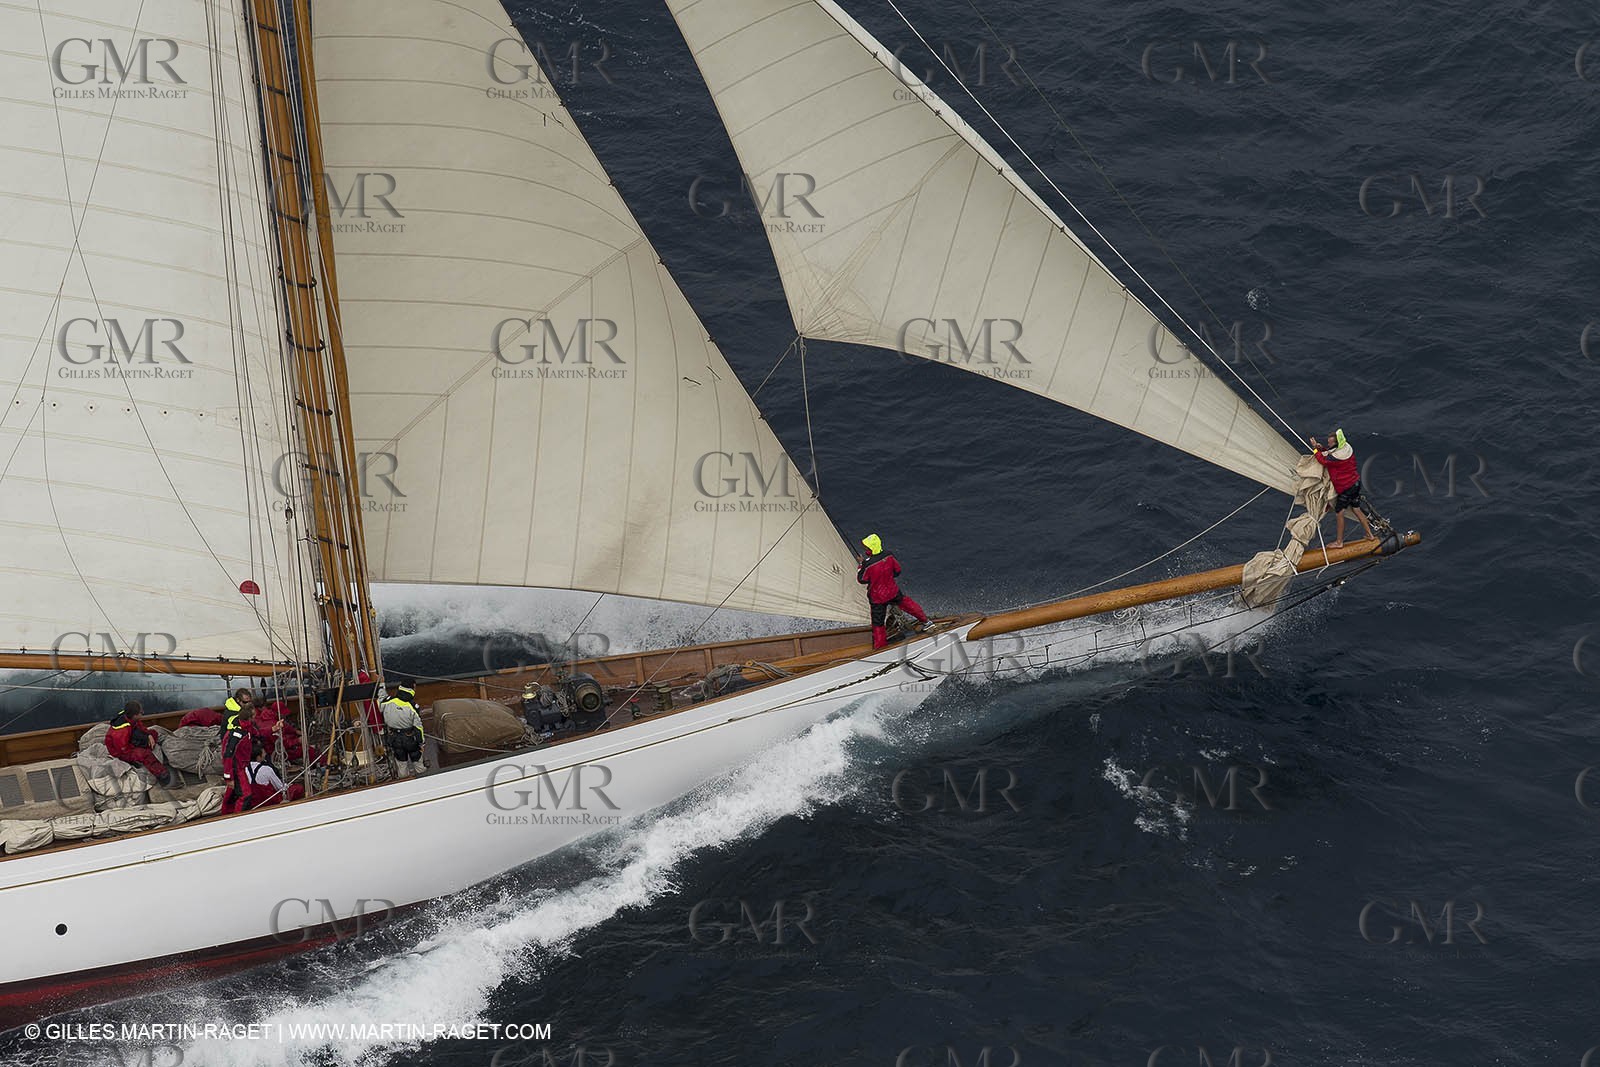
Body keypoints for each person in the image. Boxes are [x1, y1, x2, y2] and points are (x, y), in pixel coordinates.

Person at [856, 533, 932, 650]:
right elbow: (897, 571)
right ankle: (926, 622)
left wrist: (861, 565)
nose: (865, 548)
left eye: (866, 546)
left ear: (871, 548)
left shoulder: (868, 564)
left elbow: (862, 579)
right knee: (908, 604)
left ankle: (880, 648)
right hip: (892, 591)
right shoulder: (889, 555)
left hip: (877, 598)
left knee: (878, 623)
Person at [1309, 429, 1376, 547]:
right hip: (1355, 484)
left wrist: (1315, 449)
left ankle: (1339, 542)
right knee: (1357, 509)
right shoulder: (1346, 448)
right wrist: (1322, 448)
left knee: (1339, 513)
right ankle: (1370, 535)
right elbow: (1331, 453)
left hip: (1346, 489)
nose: (1328, 444)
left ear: (1336, 443)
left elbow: (1324, 460)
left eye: (1330, 443)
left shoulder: (1336, 458)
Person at [104, 700, 171, 786]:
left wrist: (148, 735)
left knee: (153, 733)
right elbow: (123, 749)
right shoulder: (121, 731)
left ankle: (147, 743)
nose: (143, 713)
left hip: (129, 737)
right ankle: (162, 774)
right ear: (135, 715)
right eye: (141, 712)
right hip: (120, 750)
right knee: (145, 754)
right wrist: (138, 747)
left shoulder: (131, 718)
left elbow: (139, 726)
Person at [380, 683, 427, 778]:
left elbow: (380, 699)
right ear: (413, 688)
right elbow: (418, 728)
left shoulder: (387, 702)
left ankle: (403, 780)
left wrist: (381, 685)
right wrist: (421, 743)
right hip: (410, 739)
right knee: (417, 760)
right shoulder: (412, 706)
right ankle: (422, 777)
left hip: (394, 738)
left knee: (401, 762)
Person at [220, 702, 257, 814]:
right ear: (250, 718)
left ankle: (227, 813)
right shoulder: (237, 734)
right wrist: (228, 777)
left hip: (241, 765)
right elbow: (228, 755)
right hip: (236, 767)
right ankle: (237, 818)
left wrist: (273, 728)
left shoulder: (247, 727)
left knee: (233, 793)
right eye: (254, 715)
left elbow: (258, 733)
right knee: (245, 795)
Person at [242, 742, 304, 808]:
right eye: (263, 753)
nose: (265, 754)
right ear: (258, 757)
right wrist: (288, 785)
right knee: (298, 788)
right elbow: (280, 788)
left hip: (251, 803)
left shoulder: (243, 770)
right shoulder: (266, 769)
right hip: (268, 802)